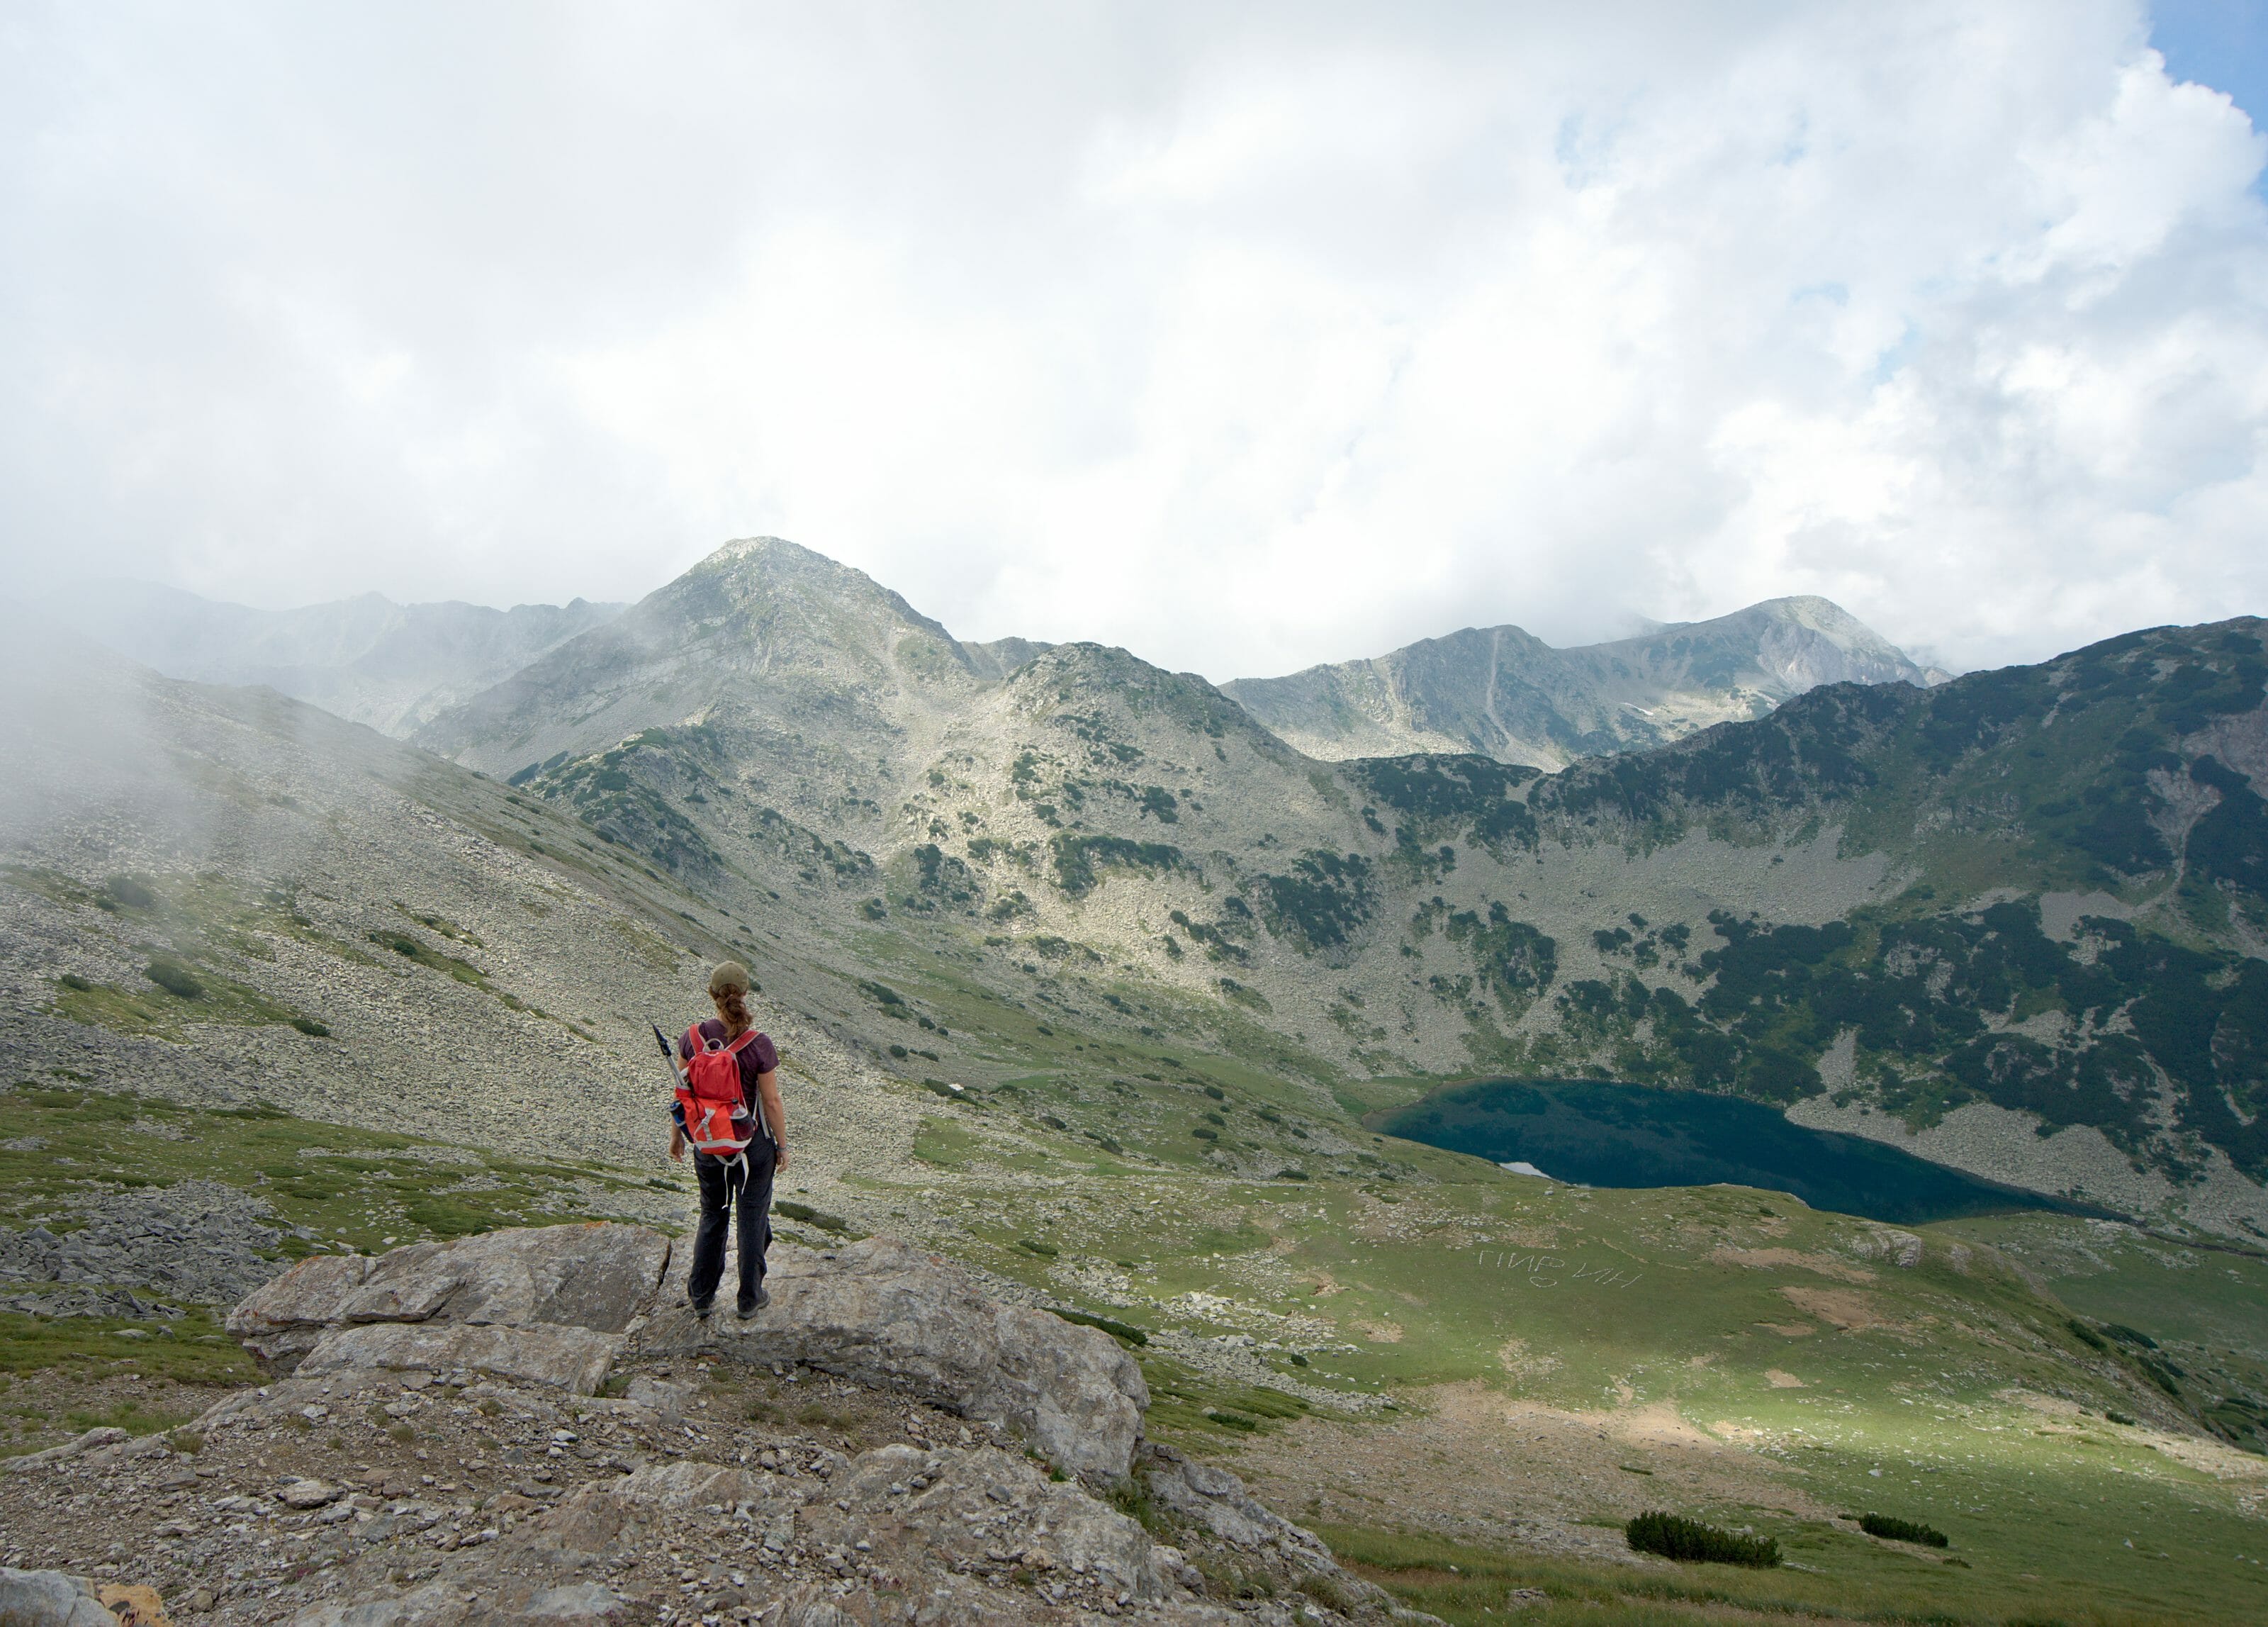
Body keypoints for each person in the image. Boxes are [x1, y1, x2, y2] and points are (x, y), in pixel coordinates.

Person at [670, 961, 788, 1318]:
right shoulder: (759, 1044)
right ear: (745, 993)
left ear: (712, 994)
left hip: (706, 1143)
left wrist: (677, 1137)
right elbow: (771, 1102)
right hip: (752, 1147)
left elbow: (681, 1095)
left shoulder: (691, 1040)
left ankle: (702, 1297)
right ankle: (750, 1298)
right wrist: (782, 1146)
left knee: (712, 1214)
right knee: (752, 1215)